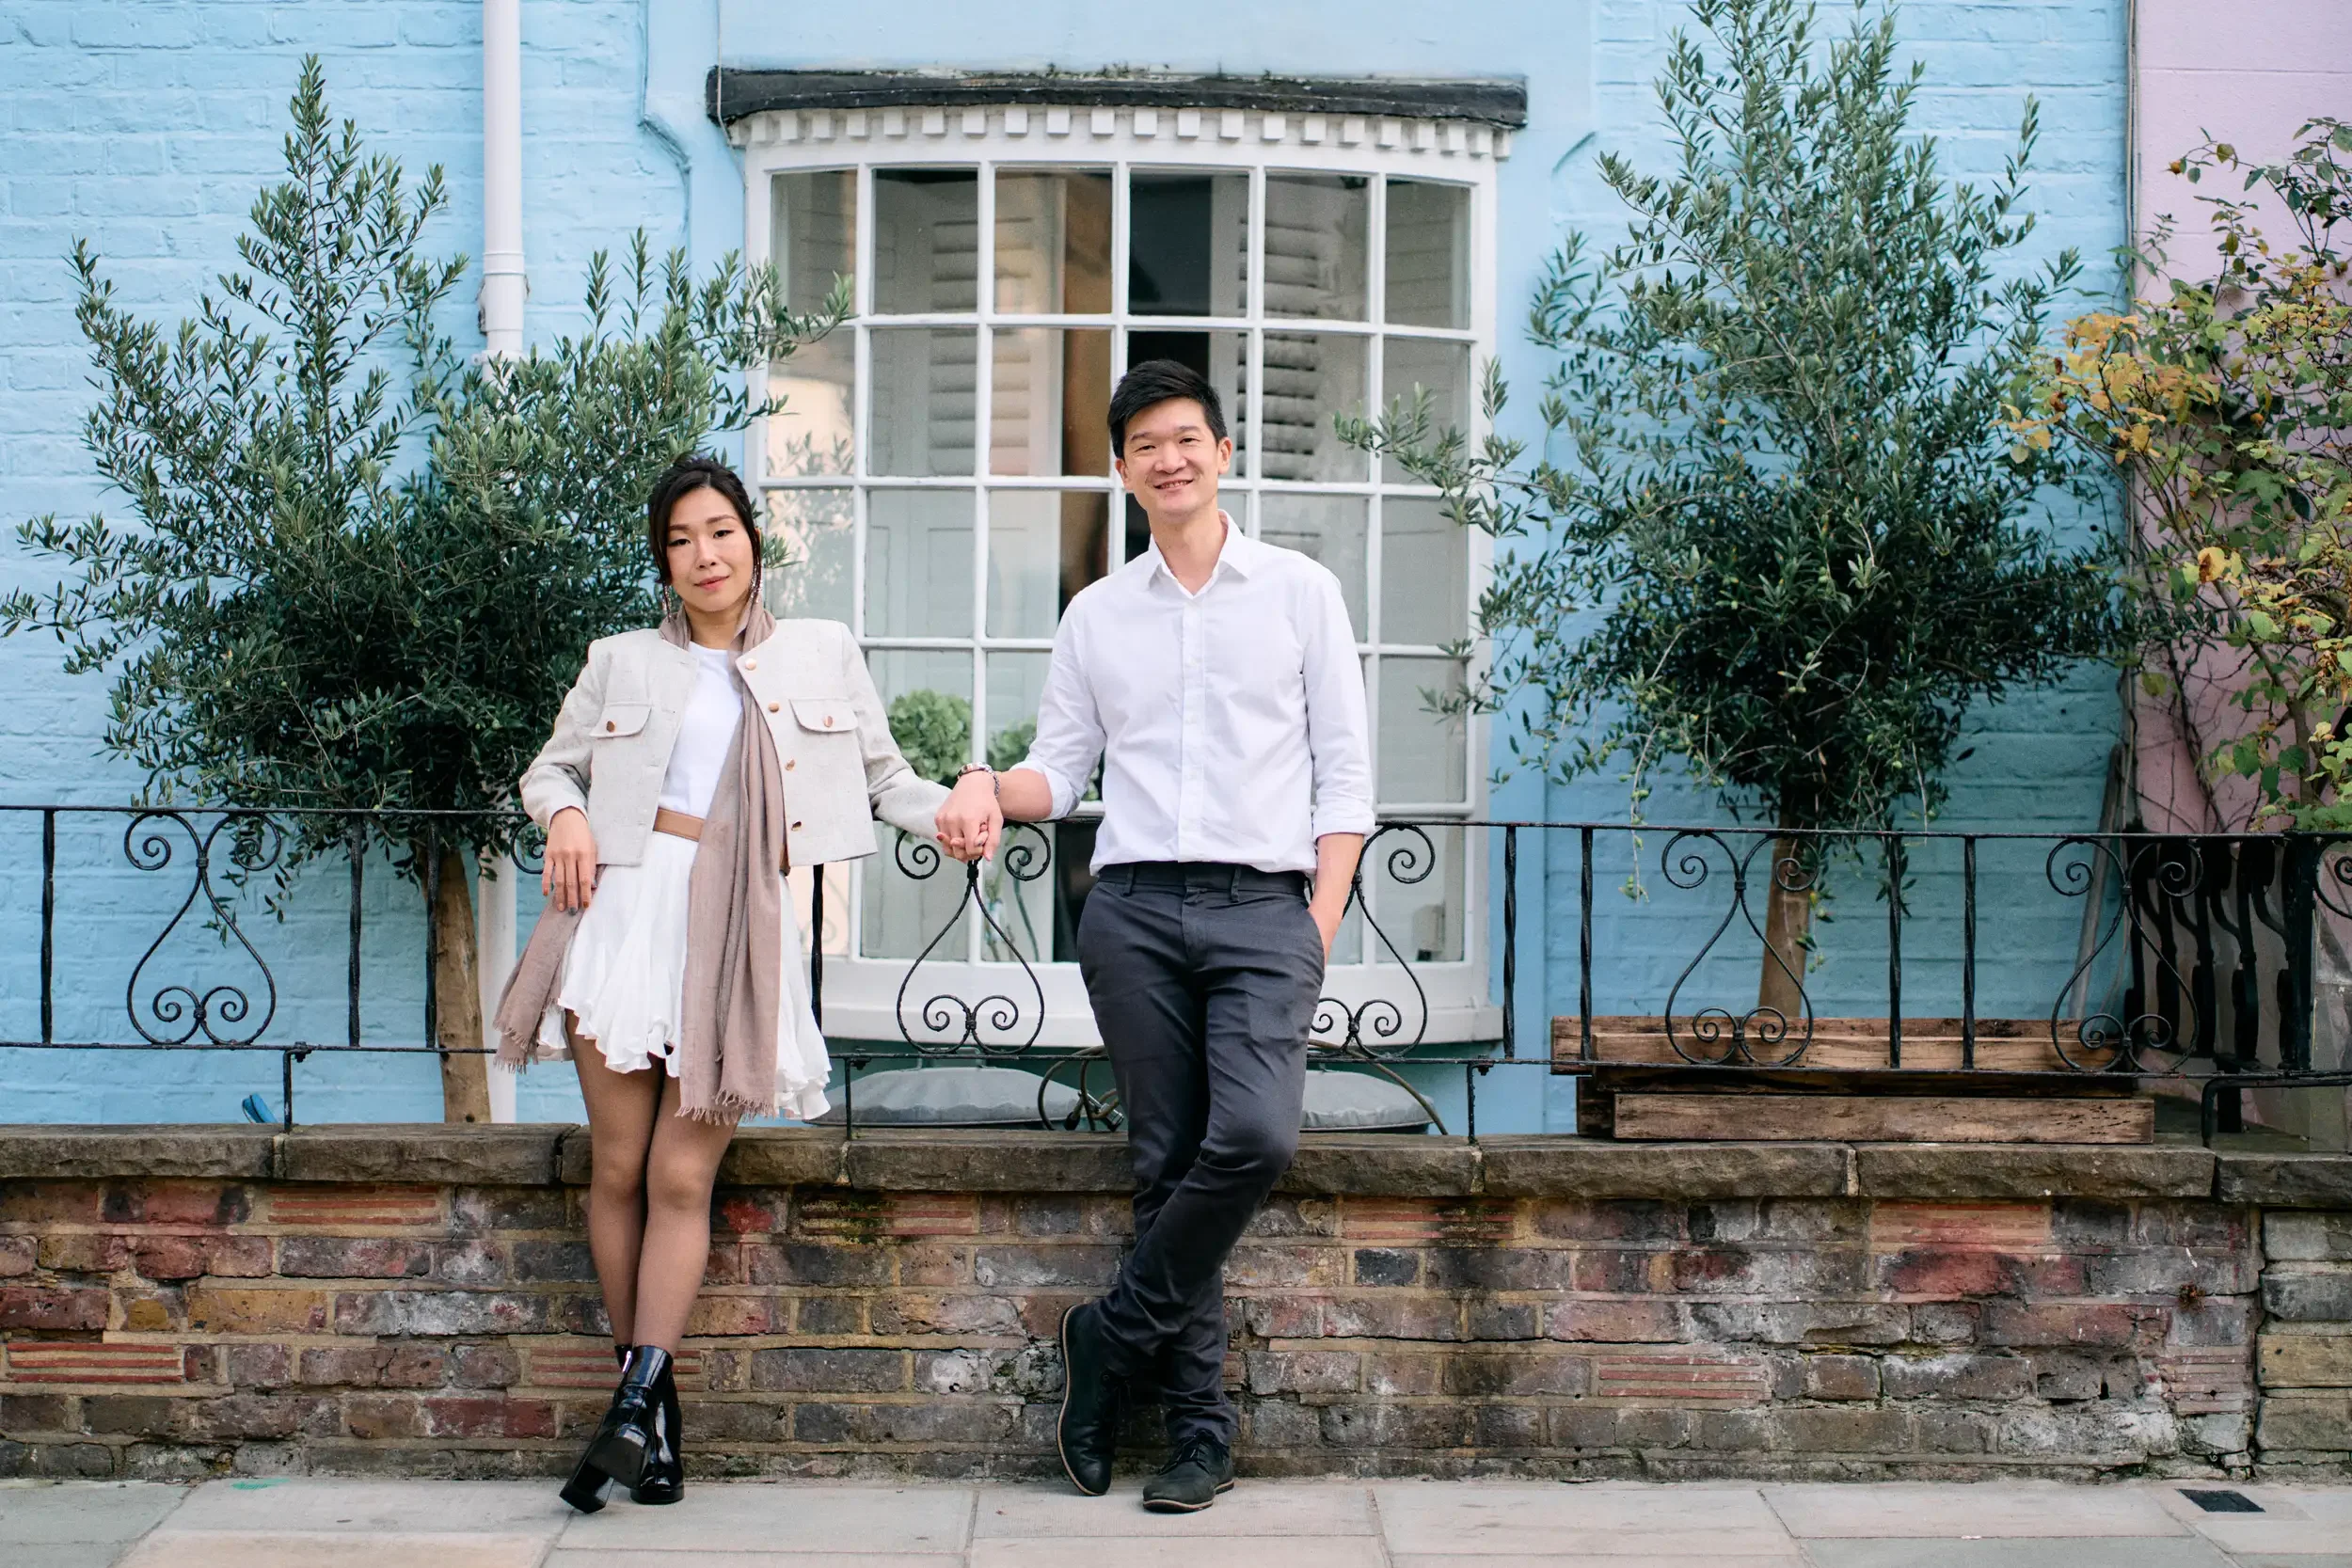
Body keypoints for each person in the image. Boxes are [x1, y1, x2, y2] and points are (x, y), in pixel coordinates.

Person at [934, 359, 1373, 1512]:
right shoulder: (1097, 613)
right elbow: (1058, 770)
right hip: (1130, 910)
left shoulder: (1299, 593)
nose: (1168, 459)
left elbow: (1345, 779)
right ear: (1121, 470)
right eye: (1145, 446)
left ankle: (1107, 1337)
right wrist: (983, 782)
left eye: (1187, 438)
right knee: (1165, 1163)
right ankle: (1197, 1436)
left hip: (1265, 908)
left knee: (1255, 1138)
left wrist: (1318, 921)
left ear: (1222, 452)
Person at [494, 453, 968, 1513]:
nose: (704, 555)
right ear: (662, 562)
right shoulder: (619, 659)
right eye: (679, 540)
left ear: (753, 540)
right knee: (619, 1167)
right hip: (623, 917)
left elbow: (885, 777)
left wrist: (955, 808)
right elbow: (551, 767)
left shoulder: (819, 652)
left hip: (736, 929)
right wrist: (563, 814)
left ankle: (632, 1406)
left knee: (679, 1176)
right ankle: (651, 1427)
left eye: (720, 531)